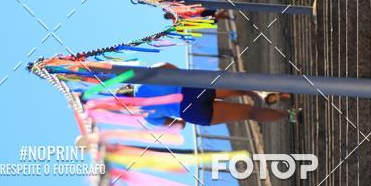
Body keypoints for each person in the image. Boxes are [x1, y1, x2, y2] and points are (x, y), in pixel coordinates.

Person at [128, 65, 300, 127]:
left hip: (190, 112)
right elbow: (169, 68)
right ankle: (263, 94)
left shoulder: (145, 116)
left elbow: (177, 126)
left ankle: (291, 115)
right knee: (239, 84)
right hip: (191, 86)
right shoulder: (144, 77)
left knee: (249, 114)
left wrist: (180, 117)